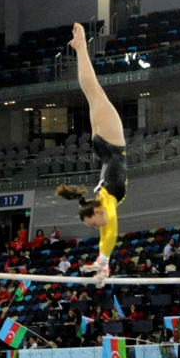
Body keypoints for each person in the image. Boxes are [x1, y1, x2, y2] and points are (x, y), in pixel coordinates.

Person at [55, 23, 127, 284]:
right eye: (95, 226)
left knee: (92, 89)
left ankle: (81, 45)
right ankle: (80, 47)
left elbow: (111, 231)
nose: (99, 227)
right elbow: (109, 232)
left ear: (95, 211)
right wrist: (102, 263)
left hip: (111, 142)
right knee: (91, 90)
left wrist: (103, 262)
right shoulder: (103, 201)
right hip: (106, 144)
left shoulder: (105, 200)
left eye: (94, 224)